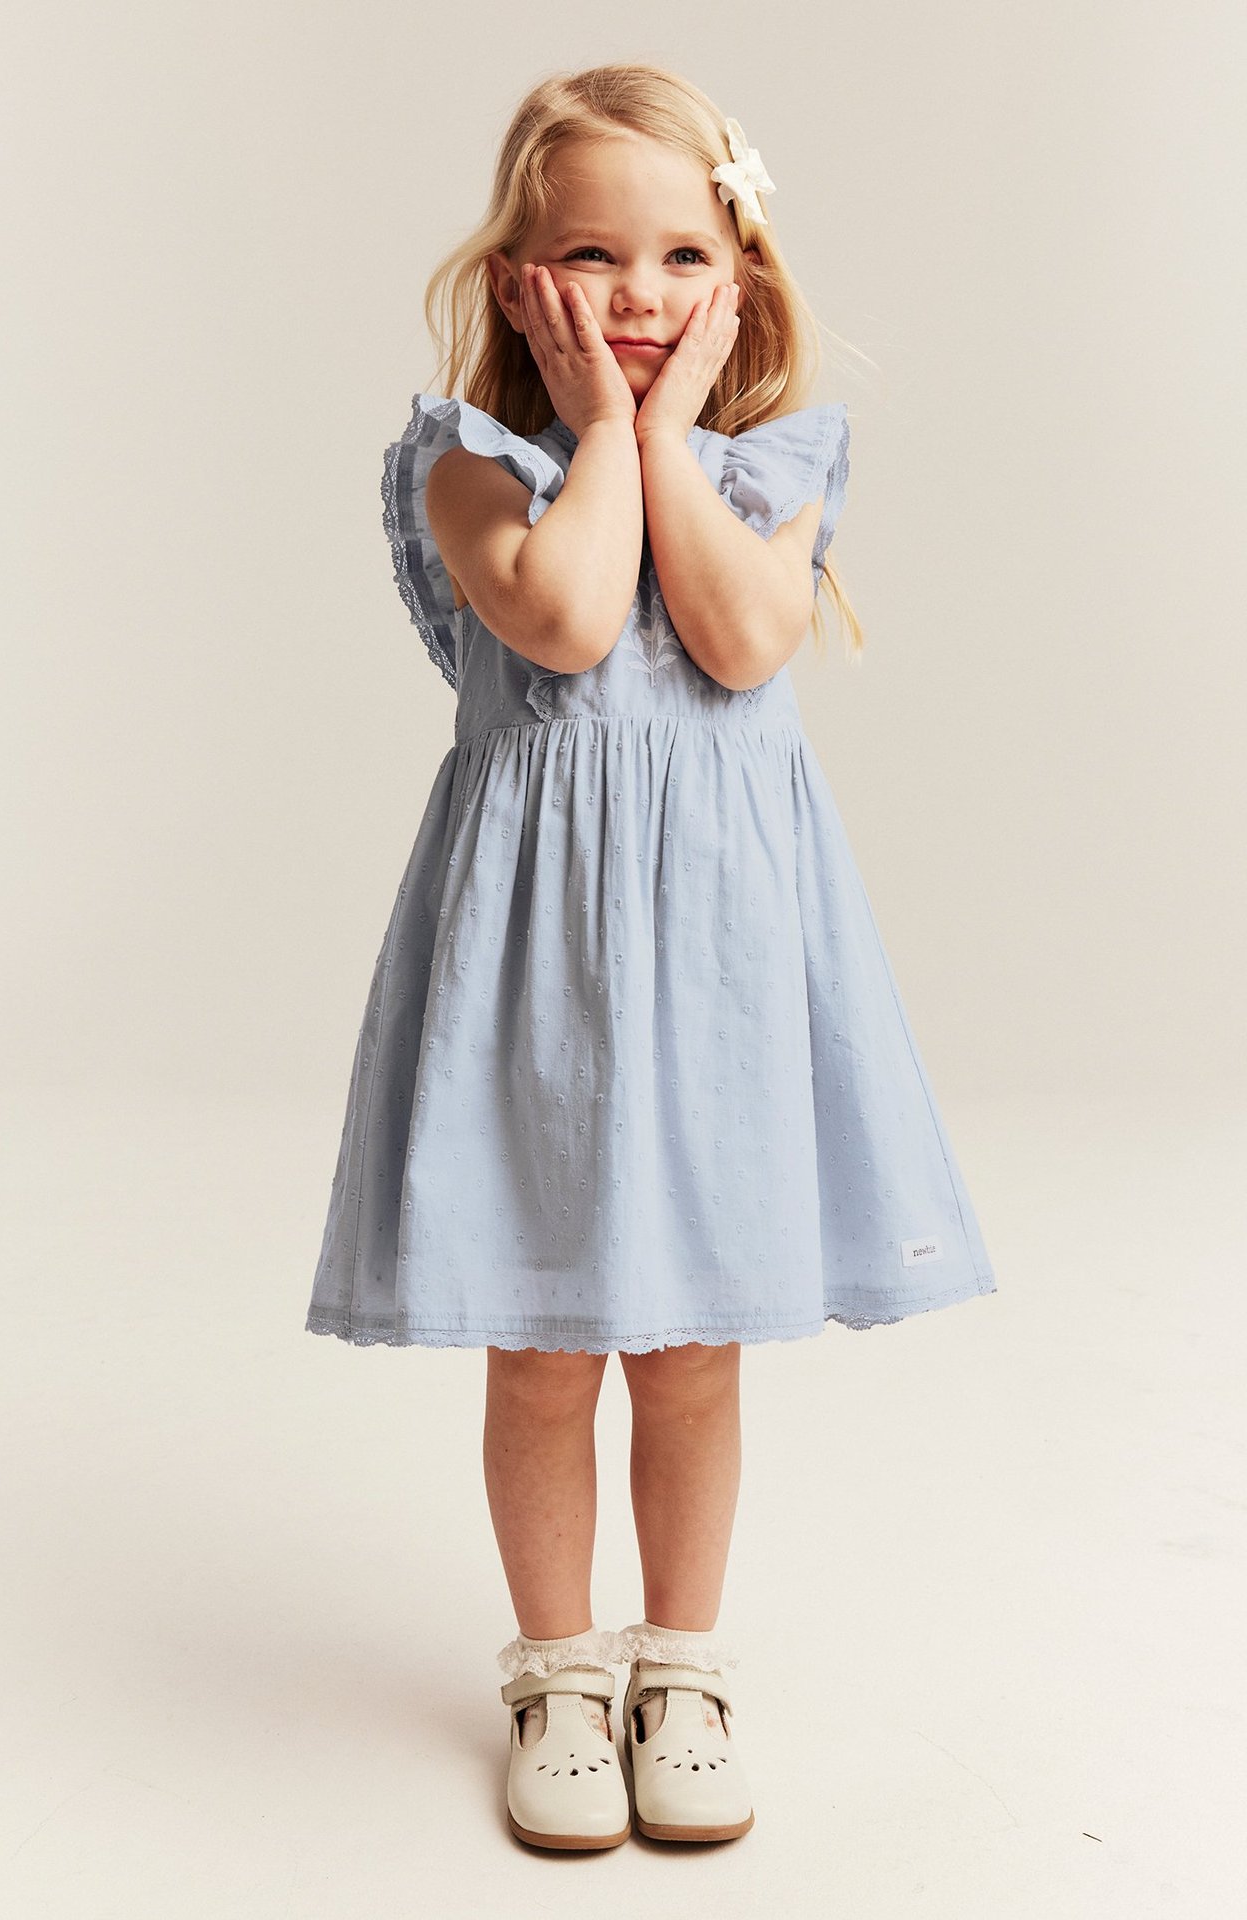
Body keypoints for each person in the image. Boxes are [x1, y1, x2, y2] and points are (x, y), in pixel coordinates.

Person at [305, 62, 997, 1852]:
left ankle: (680, 1662)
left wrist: (675, 426)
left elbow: (746, 639)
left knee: (693, 1345)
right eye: (592, 251)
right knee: (544, 1346)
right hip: (540, 970)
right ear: (520, 272)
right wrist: (613, 425)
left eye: (682, 251)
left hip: (724, 966)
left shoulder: (772, 463)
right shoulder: (471, 464)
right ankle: (556, 1664)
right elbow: (570, 611)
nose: (636, 290)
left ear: (740, 273)